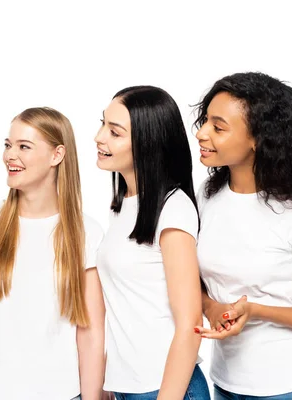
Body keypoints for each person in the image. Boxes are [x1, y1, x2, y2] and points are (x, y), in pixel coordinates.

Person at [0, 107, 106, 400]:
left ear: (57, 155)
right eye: (8, 145)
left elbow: (91, 330)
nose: (10, 155)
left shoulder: (86, 233)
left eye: (24, 147)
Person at [193, 71, 292, 399]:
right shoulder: (208, 196)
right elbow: (193, 281)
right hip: (224, 383)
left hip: (289, 385)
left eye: (218, 127)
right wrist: (210, 307)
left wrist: (257, 310)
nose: (201, 133)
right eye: (205, 120)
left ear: (258, 139)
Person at [95, 86, 210, 399]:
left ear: (147, 143)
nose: (99, 137)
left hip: (166, 388)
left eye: (114, 132)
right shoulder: (123, 205)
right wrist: (110, 379)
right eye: (102, 123)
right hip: (129, 387)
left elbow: (190, 323)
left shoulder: (173, 208)